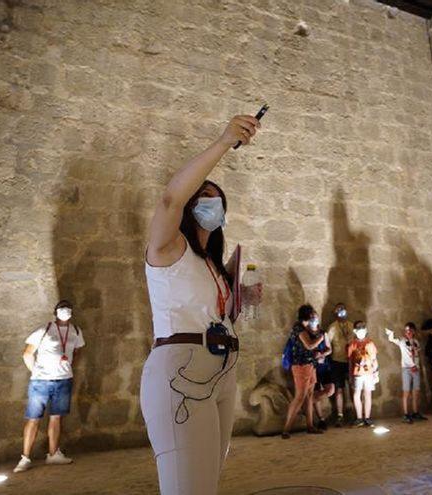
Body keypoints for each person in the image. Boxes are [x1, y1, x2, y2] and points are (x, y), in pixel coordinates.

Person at [140, 113, 258, 494]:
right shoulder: (168, 249)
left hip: (221, 372)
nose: (214, 202)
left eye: (218, 198)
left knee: (206, 484)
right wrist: (224, 141)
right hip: (180, 370)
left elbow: (209, 315)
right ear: (190, 204)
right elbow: (169, 198)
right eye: (205, 195)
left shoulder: (211, 266)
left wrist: (240, 301)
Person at [14, 300, 85, 472]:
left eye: (68, 308)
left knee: (56, 417)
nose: (65, 311)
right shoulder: (44, 330)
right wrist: (35, 372)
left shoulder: (75, 331)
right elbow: (27, 353)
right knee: (33, 418)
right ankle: (25, 457)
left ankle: (53, 454)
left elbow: (78, 350)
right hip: (41, 381)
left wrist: (69, 367)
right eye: (62, 308)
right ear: (55, 312)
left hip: (63, 379)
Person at [281, 305, 325, 439]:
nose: (314, 317)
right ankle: (286, 429)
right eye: (312, 315)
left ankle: (310, 426)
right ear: (306, 316)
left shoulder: (305, 329)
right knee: (300, 397)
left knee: (309, 396)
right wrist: (321, 338)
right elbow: (309, 345)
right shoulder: (299, 329)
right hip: (301, 366)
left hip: (310, 365)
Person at [385, 323, 427, 423]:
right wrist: (390, 333)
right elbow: (392, 339)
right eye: (406, 330)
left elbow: (417, 355)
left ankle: (415, 412)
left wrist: (417, 367)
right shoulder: (402, 341)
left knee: (416, 391)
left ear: (414, 331)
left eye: (410, 330)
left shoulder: (416, 342)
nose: (408, 332)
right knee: (406, 391)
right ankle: (406, 414)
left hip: (415, 369)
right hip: (406, 369)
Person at [325, 303, 353, 426]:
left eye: (343, 309)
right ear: (335, 313)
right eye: (339, 310)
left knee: (353, 388)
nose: (341, 312)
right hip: (337, 362)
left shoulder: (351, 326)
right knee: (339, 390)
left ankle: (357, 414)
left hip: (351, 361)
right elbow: (327, 345)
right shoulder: (332, 328)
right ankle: (340, 415)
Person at [347, 321, 378, 427]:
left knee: (368, 394)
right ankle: (359, 418)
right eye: (359, 328)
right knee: (357, 394)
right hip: (357, 373)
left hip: (368, 373)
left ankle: (367, 417)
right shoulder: (352, 344)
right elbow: (350, 361)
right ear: (355, 331)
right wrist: (350, 375)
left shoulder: (370, 343)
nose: (361, 330)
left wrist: (376, 373)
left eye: (363, 327)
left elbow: (374, 359)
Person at [311, 323, 334, 431]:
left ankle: (308, 401)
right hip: (313, 367)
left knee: (330, 390)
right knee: (315, 391)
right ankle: (321, 419)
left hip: (324, 366)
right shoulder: (306, 334)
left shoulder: (323, 334)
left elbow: (329, 349)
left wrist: (322, 354)